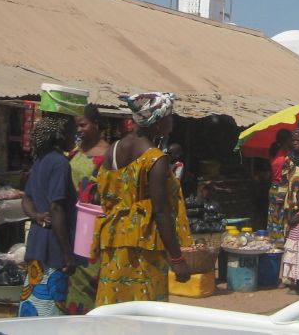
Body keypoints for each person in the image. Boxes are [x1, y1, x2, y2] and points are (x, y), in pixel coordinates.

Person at [89, 92, 192, 307]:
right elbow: (160, 210)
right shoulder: (155, 158)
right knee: (145, 310)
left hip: (113, 239)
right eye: (169, 118)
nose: (172, 123)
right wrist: (177, 258)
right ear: (156, 122)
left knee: (114, 305)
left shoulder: (112, 151)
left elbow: (102, 194)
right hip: (144, 245)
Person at [19, 113, 78, 317]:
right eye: (73, 132)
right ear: (60, 135)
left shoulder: (40, 161)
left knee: (33, 305)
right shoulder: (60, 163)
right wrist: (67, 254)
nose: (75, 137)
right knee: (50, 309)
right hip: (53, 248)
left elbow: (26, 199)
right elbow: (56, 208)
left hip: (36, 245)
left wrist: (35, 216)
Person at [64, 104, 111, 315]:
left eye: (83, 125)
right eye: (77, 126)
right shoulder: (72, 153)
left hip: (96, 227)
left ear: (96, 124)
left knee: (93, 280)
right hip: (71, 226)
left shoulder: (109, 154)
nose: (79, 130)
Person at [267, 129, 293, 241]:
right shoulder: (286, 156)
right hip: (282, 189)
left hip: (273, 188)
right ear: (287, 140)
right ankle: (281, 243)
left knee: (273, 217)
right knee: (283, 217)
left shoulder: (274, 153)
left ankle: (273, 240)